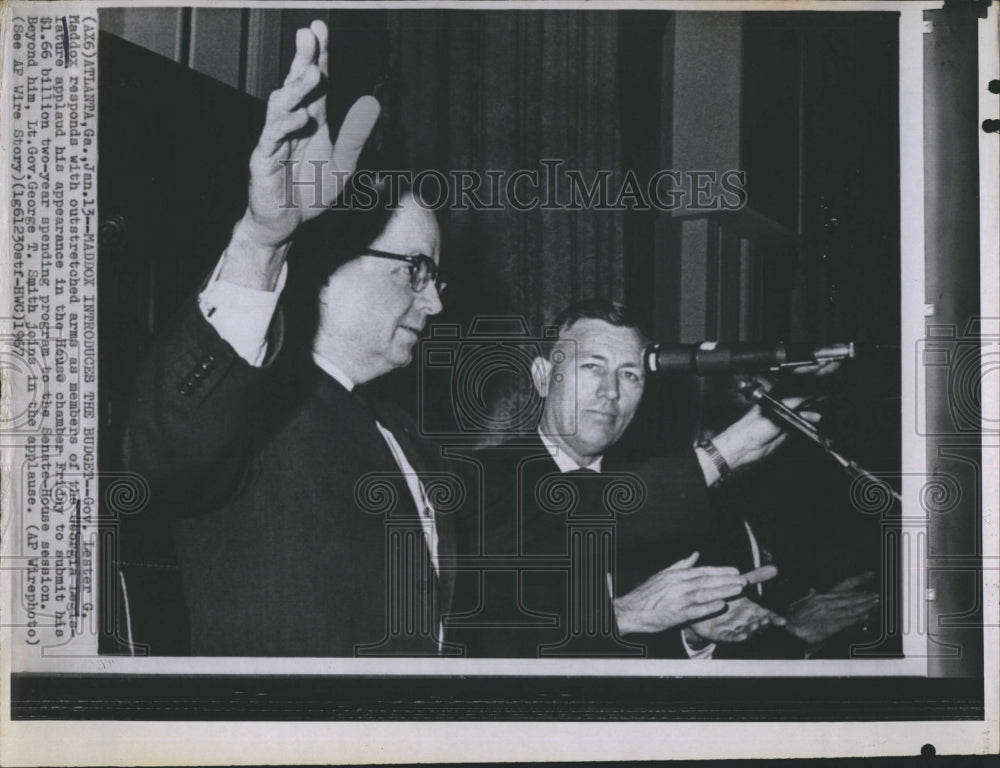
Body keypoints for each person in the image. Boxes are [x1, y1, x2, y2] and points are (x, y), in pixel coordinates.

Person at [123, 21, 456, 656]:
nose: (436, 300)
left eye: (437, 276)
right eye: (416, 270)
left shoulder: (408, 438)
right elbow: (163, 454)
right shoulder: (252, 417)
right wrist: (263, 237)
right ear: (330, 270)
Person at [448, 299, 816, 658]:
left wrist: (692, 633)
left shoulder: (661, 503)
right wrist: (623, 614)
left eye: (629, 374)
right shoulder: (476, 481)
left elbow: (641, 651)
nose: (611, 392)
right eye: (592, 366)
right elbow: (473, 640)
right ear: (543, 378)